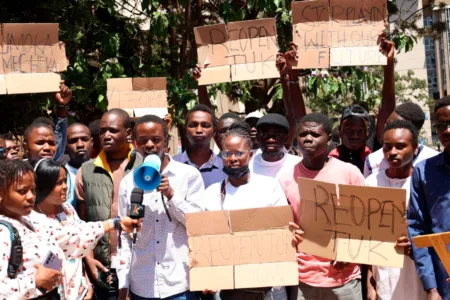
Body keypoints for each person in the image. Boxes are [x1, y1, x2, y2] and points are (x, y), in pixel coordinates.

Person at [0, 159, 141, 299]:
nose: (30, 196)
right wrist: (34, 282)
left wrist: (116, 223)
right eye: (22, 191)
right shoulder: (4, 232)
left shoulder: (27, 221)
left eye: (32, 189)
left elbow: (70, 237)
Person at [203, 122, 299, 300]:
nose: (233, 158)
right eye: (227, 153)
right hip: (227, 289)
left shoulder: (269, 187)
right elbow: (206, 241)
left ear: (251, 154)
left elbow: (283, 232)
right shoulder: (211, 194)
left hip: (268, 287)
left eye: (239, 153)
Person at [278, 113, 365, 300]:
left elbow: (366, 221)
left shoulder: (349, 174)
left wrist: (349, 250)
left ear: (329, 139)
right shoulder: (285, 178)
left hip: (344, 278)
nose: (308, 139)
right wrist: (289, 232)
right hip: (303, 278)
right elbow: (282, 225)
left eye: (315, 135)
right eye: (303, 134)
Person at [117, 114, 204, 300]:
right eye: (143, 140)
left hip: (180, 283)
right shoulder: (128, 183)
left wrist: (171, 195)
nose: (149, 145)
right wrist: (123, 284)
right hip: (142, 284)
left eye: (156, 139)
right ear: (134, 143)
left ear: (166, 142)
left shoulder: (188, 175)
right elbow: (124, 236)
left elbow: (198, 225)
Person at [76, 108, 143, 300]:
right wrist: (88, 259)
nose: (106, 135)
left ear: (128, 133)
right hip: (103, 266)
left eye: (113, 130)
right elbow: (82, 222)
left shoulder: (144, 167)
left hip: (139, 262)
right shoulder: (86, 171)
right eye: (103, 131)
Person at [364, 120, 426, 300]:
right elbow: (365, 238)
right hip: (383, 278)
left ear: (415, 148)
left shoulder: (424, 183)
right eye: (387, 147)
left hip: (417, 279)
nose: (392, 153)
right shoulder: (371, 183)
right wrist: (370, 284)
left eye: (400, 146)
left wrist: (415, 243)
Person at [408, 96, 450, 300]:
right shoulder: (424, 172)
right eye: (440, 125)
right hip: (444, 284)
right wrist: (431, 288)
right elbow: (417, 228)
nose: (447, 131)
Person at [364, 102, 439, 177]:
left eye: (395, 127)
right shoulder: (372, 161)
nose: (387, 130)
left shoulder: (435, 161)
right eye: (387, 124)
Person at [173, 104, 226, 188]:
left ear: (214, 132)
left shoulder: (225, 167)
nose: (199, 130)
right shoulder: (173, 165)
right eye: (193, 125)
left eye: (205, 125)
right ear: (185, 131)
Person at [250, 113, 301, 180]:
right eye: (265, 134)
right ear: (258, 137)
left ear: (286, 138)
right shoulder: (248, 165)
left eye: (277, 135)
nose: (271, 140)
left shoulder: (298, 165)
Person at [65, 123, 93, 211]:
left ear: (92, 142)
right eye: (73, 141)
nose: (80, 144)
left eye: (84, 139)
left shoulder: (104, 171)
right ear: (65, 146)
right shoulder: (61, 176)